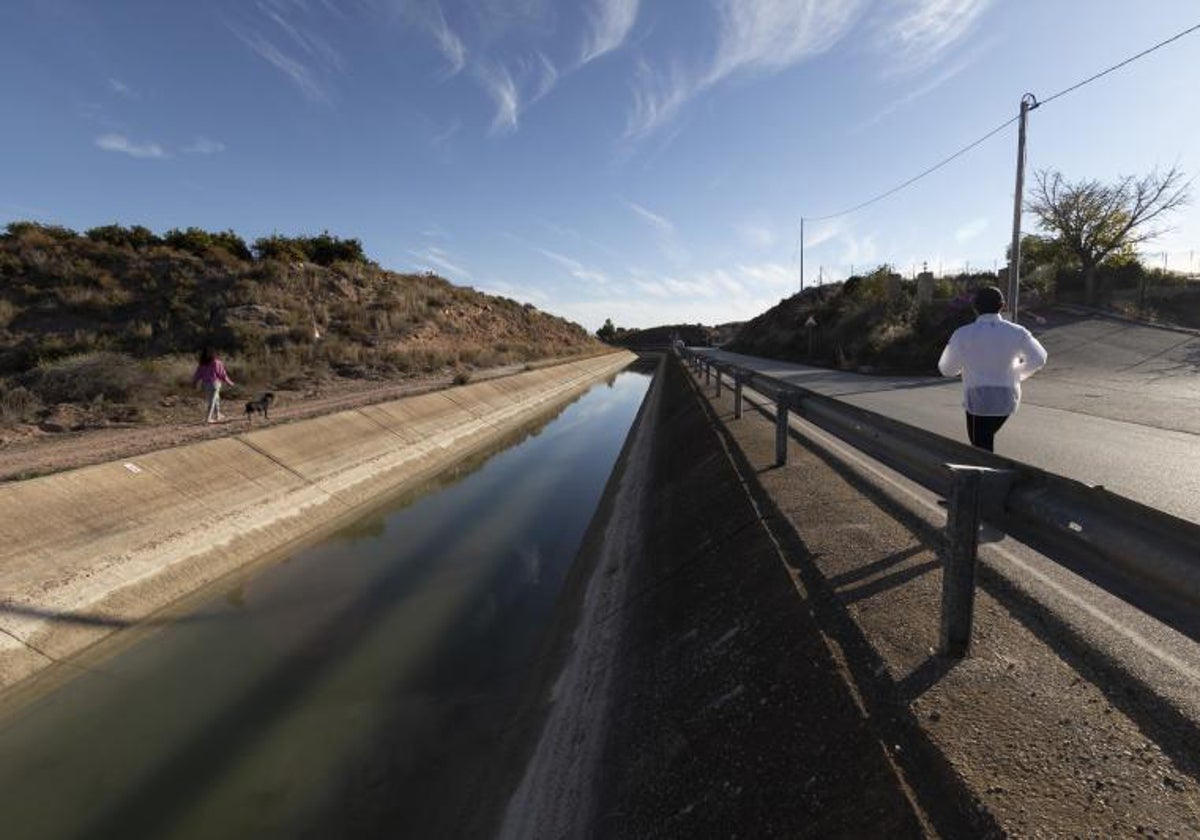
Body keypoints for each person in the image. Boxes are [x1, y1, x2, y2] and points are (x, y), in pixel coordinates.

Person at [938, 285, 1047, 452]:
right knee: (985, 443)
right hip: (1007, 399)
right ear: (1002, 306)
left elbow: (947, 369)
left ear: (975, 307)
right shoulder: (1018, 332)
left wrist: (963, 367)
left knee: (980, 449)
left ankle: (988, 476)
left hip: (978, 401)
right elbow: (1039, 358)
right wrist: (1016, 373)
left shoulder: (962, 334)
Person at [193, 347, 235, 424]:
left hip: (205, 384)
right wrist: (229, 382)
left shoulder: (202, 364)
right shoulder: (216, 362)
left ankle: (218, 414)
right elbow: (222, 374)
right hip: (214, 383)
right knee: (212, 400)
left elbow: (197, 374)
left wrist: (194, 382)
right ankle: (208, 418)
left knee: (215, 398)